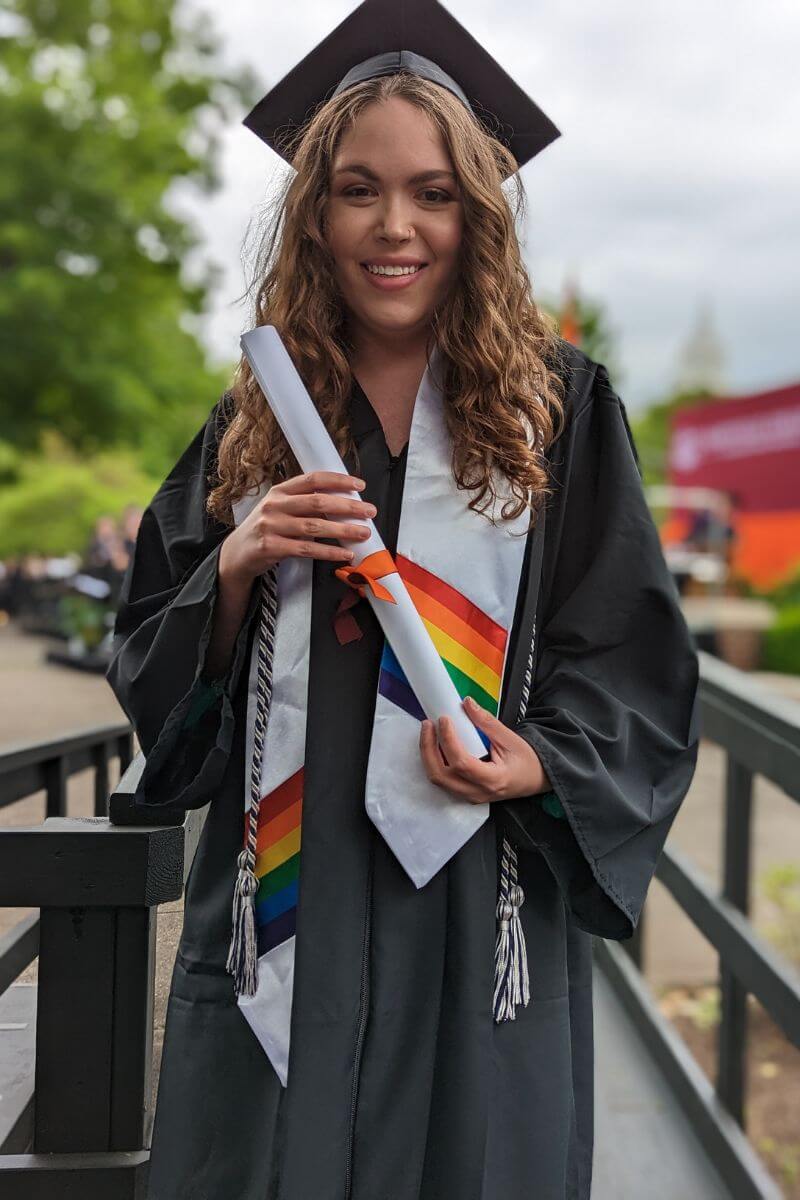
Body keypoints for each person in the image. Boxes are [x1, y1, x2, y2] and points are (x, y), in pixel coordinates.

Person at [106, 2, 700, 1197]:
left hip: (477, 893)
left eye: (431, 193)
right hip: (289, 893)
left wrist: (534, 764)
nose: (394, 227)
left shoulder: (558, 413)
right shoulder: (256, 417)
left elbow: (628, 657)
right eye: (357, 190)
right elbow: (149, 657)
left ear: (473, 215)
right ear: (312, 214)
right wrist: (233, 563)